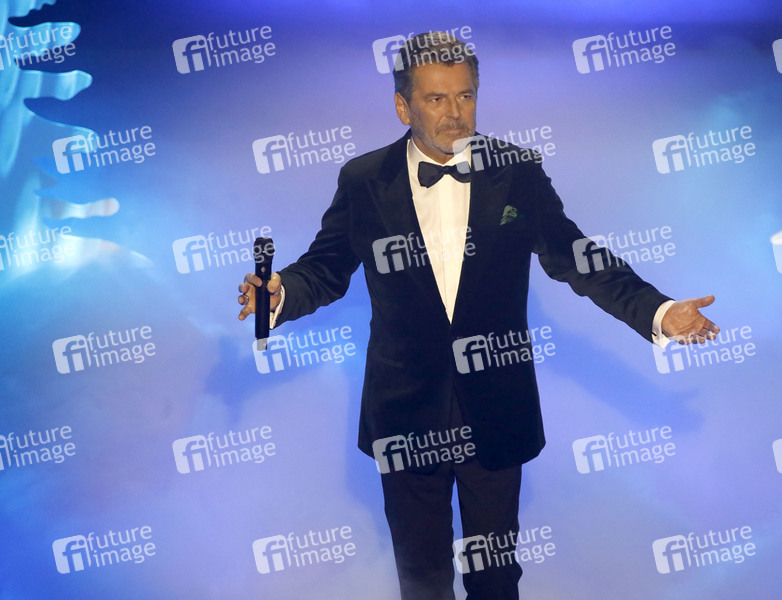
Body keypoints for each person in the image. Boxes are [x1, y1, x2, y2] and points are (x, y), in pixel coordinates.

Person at [238, 31, 718, 600]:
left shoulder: (516, 170)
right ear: (403, 107)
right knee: (421, 581)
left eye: (465, 96)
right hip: (405, 414)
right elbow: (325, 267)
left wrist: (657, 310)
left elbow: (576, 256)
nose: (455, 112)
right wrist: (280, 295)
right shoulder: (364, 179)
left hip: (496, 408)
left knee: (495, 580)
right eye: (437, 98)